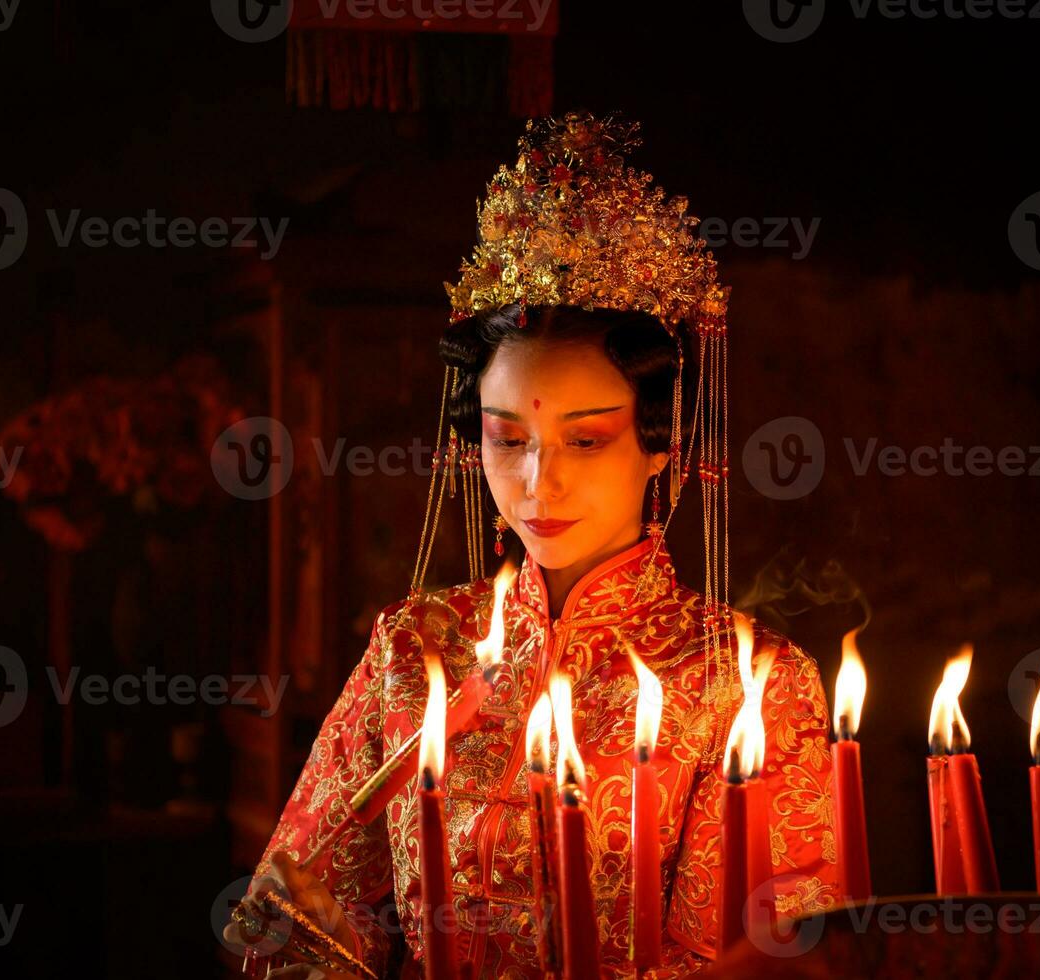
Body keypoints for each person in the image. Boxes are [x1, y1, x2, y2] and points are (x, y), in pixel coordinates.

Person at [229, 111, 842, 978]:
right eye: (505, 439)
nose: (536, 484)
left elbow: (766, 959)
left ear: (661, 441)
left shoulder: (746, 686)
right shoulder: (413, 650)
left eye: (585, 441)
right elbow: (309, 916)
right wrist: (309, 940)